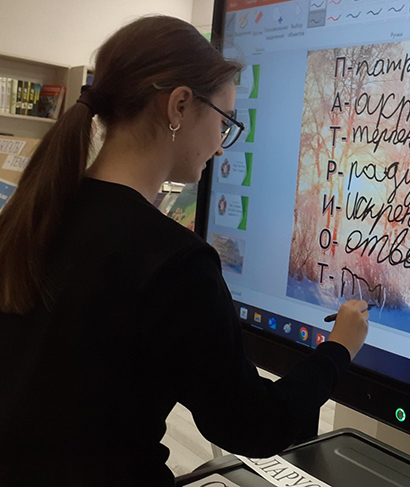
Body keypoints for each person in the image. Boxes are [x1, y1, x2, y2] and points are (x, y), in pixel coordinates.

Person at [0, 16, 369, 486]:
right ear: (178, 105)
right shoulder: (175, 262)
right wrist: (338, 349)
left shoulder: (36, 214)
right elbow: (255, 424)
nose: (221, 146)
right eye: (225, 121)